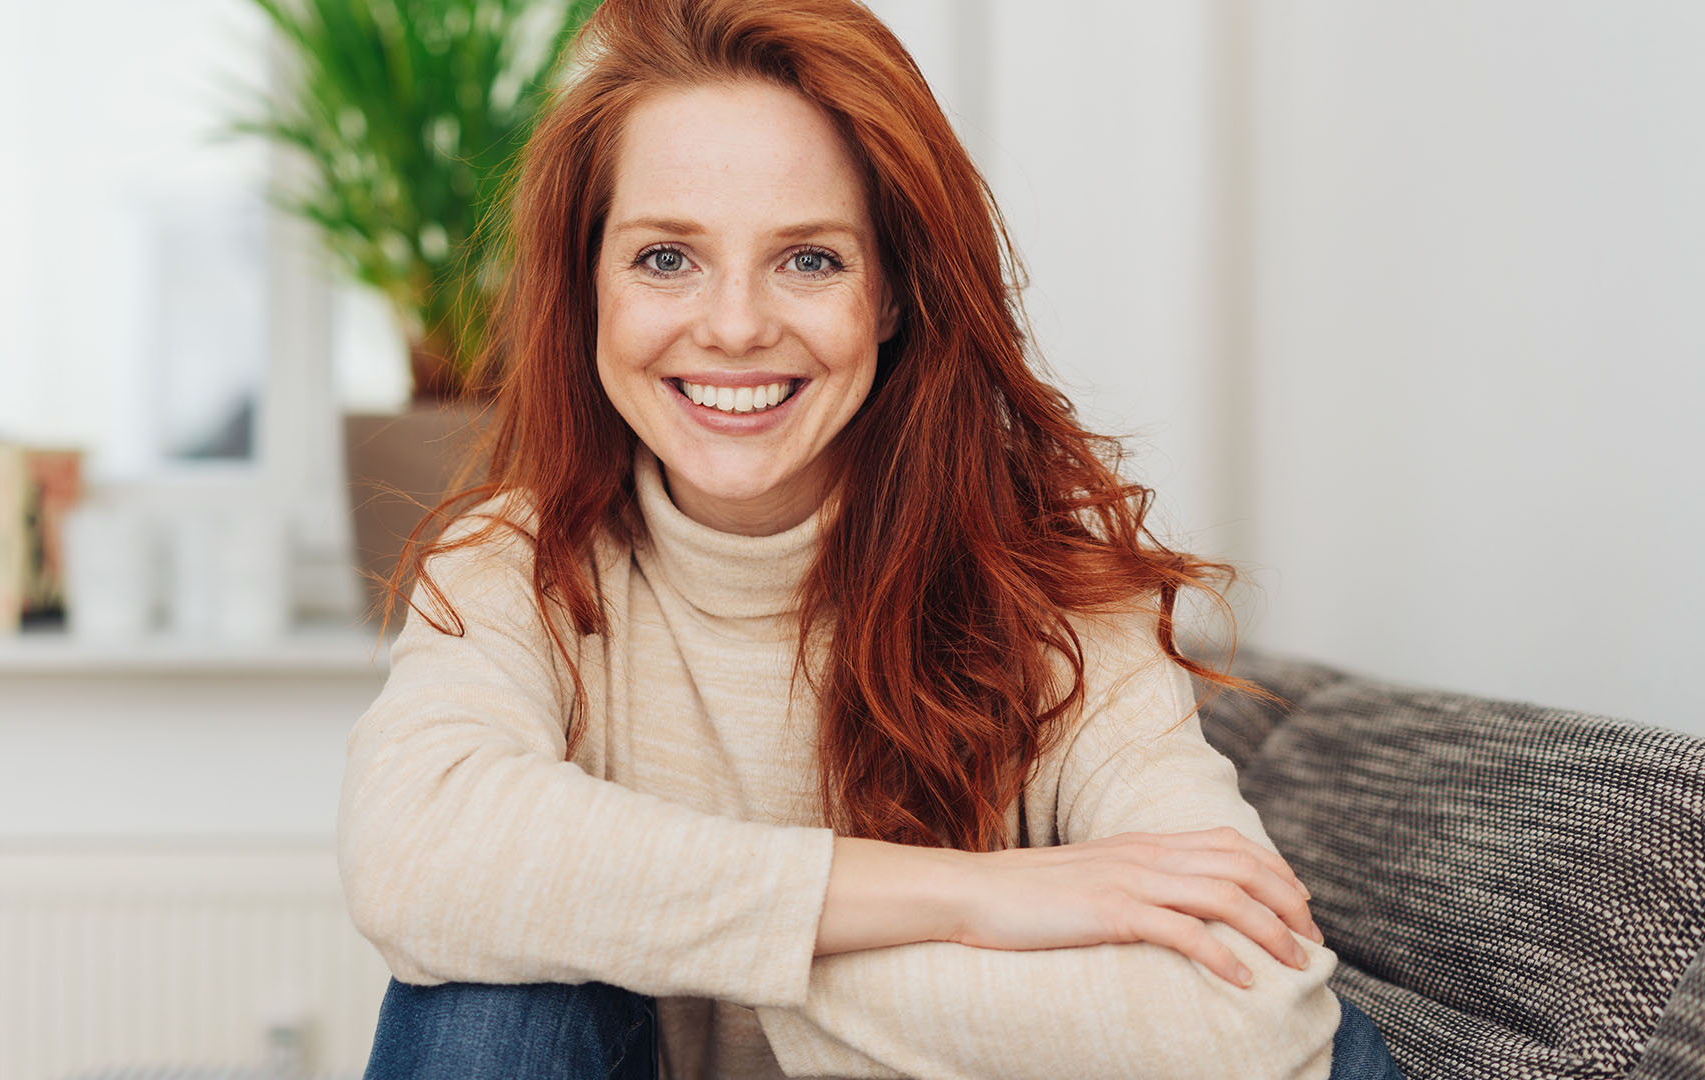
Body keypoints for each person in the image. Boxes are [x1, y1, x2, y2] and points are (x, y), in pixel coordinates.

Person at [338, 0, 1404, 1077]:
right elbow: (413, 852)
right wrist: (972, 901)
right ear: (590, 289)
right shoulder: (509, 565)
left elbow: (1256, 1016)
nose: (738, 324)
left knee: (519, 924)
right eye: (666, 258)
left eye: (810, 260)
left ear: (892, 291)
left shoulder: (1056, 598)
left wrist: (715, 936)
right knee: (487, 1000)